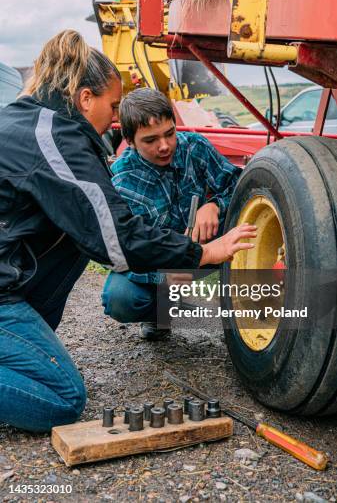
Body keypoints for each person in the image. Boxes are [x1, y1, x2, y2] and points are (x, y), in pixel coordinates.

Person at [0, 30, 256, 433]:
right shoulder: (55, 140)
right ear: (86, 98)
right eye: (113, 105)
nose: (114, 117)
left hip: (12, 280)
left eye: (169, 134)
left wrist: (213, 206)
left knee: (67, 248)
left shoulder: (26, 122)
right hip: (13, 289)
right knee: (62, 398)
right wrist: (202, 255)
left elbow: (233, 184)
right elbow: (116, 240)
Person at [101, 88, 242, 339]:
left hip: (209, 248)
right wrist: (162, 277)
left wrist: (214, 205)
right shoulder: (122, 182)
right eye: (151, 140)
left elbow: (241, 185)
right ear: (130, 140)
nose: (165, 146)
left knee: (246, 227)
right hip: (162, 264)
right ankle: (161, 313)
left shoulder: (195, 147)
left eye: (169, 133)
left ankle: (248, 313)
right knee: (120, 298)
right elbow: (124, 252)